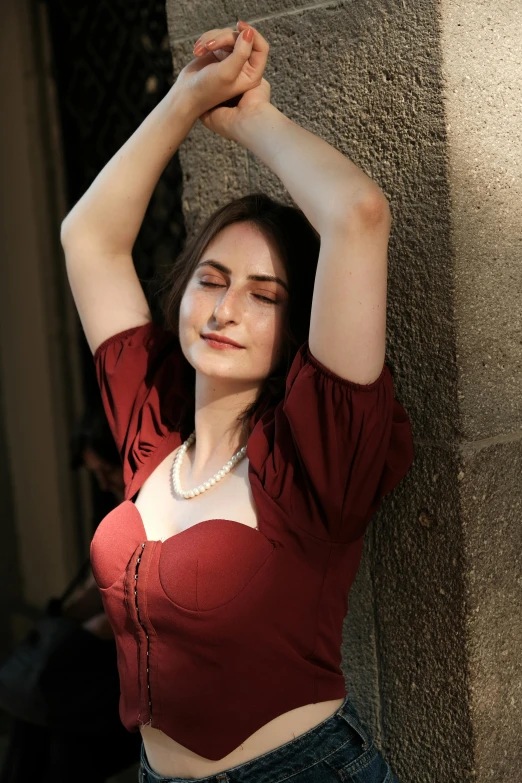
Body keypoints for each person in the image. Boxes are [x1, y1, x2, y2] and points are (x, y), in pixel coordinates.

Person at [60, 18, 414, 783]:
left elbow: (357, 216)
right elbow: (87, 236)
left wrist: (250, 117)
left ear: (297, 331)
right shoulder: (150, 425)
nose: (224, 310)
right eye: (212, 280)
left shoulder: (314, 461)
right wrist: (186, 98)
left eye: (265, 295)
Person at [0, 406, 142, 783]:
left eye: (105, 471)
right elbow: (96, 590)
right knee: (40, 716)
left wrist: (87, 630)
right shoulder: (123, 511)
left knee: (60, 720)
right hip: (105, 675)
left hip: (141, 684)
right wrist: (67, 619)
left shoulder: (157, 508)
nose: (103, 484)